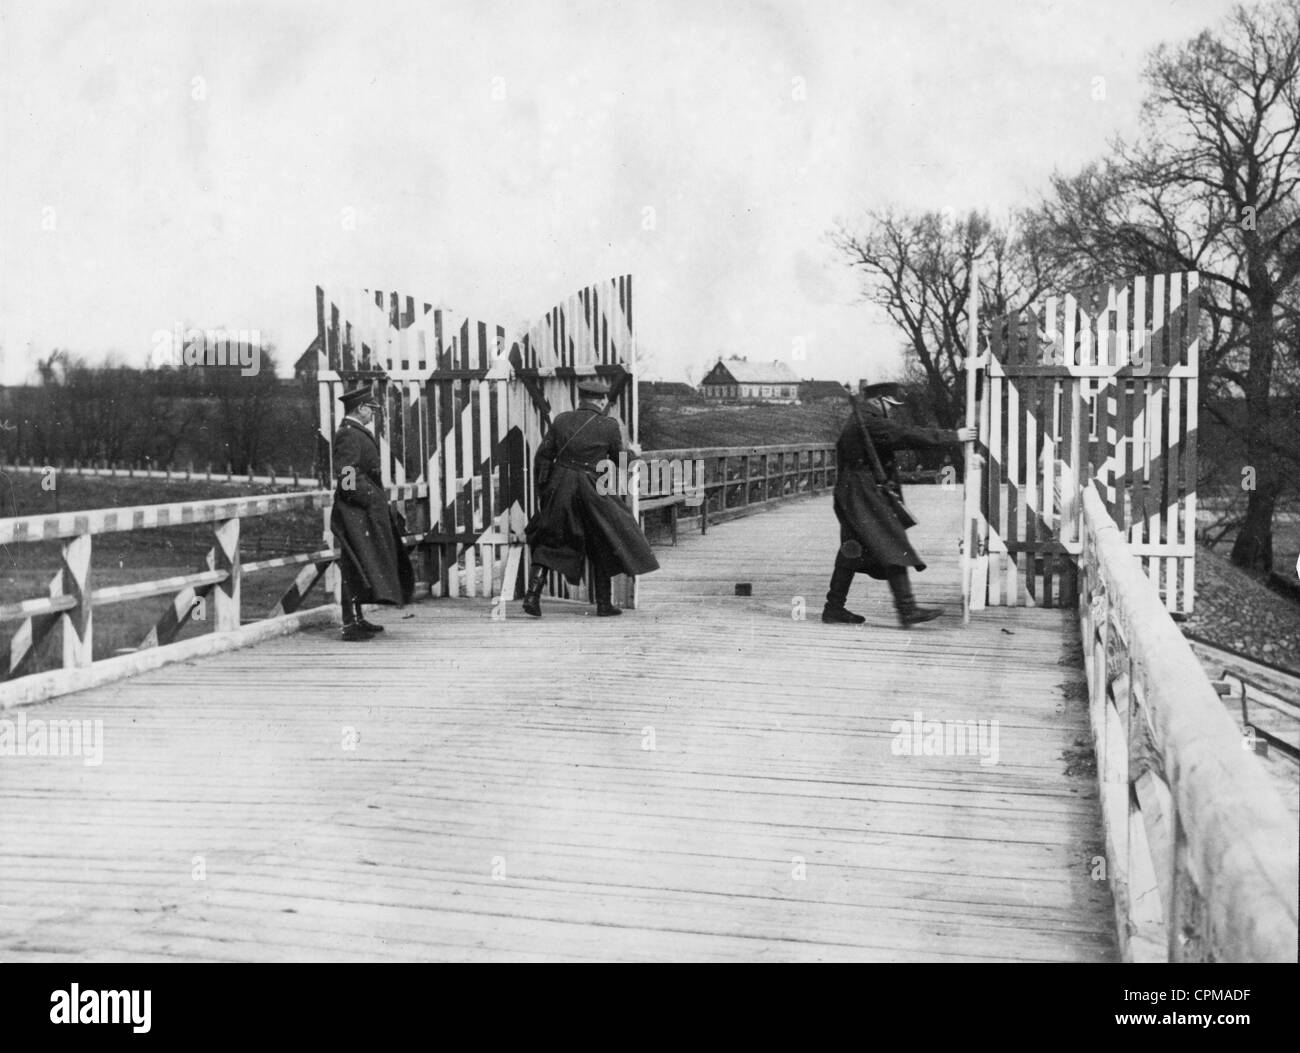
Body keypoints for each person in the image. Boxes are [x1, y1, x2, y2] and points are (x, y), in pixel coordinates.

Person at [822, 382, 977, 628]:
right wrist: (953, 436)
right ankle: (906, 610)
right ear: (878, 400)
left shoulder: (861, 419)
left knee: (852, 550)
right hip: (861, 491)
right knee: (892, 542)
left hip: (852, 491)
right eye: (890, 405)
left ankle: (833, 608)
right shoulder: (870, 422)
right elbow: (906, 434)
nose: (891, 411)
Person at [522, 377, 660, 617]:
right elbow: (620, 461)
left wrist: (546, 490)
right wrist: (634, 452)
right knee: (604, 538)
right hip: (592, 488)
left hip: (561, 487)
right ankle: (604, 604)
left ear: (581, 398)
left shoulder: (561, 420)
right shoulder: (608, 425)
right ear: (602, 399)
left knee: (551, 539)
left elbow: (542, 457)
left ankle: (532, 595)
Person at [330, 384, 414, 641]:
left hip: (362, 512)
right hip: (355, 512)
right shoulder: (349, 434)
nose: (373, 414)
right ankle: (349, 624)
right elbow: (346, 478)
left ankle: (357, 619)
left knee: (360, 566)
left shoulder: (354, 432)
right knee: (352, 565)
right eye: (371, 409)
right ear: (361, 408)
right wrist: (371, 498)